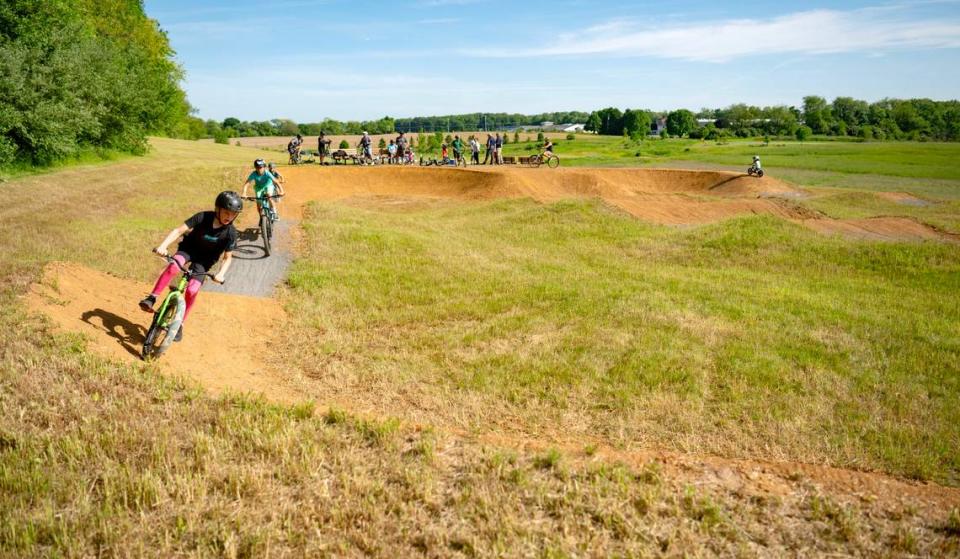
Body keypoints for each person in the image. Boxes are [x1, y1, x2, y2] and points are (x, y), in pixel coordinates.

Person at [138, 191, 242, 342]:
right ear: (218, 209)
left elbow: (228, 258)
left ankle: (180, 323)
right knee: (174, 266)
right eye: (227, 212)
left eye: (234, 214)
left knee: (192, 290)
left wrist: (221, 274)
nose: (229, 217)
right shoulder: (203, 217)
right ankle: (152, 298)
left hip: (205, 261)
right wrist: (163, 246)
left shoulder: (231, 232)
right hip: (188, 249)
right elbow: (179, 230)